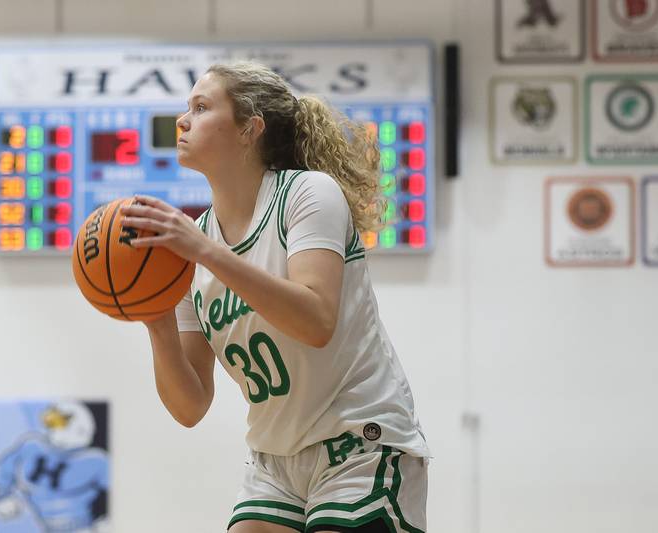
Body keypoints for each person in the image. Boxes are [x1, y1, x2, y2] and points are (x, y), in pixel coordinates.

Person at [120, 62, 430, 533]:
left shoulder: (307, 194)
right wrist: (156, 319)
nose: (183, 120)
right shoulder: (189, 249)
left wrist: (206, 252)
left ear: (250, 129)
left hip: (359, 443)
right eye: (187, 108)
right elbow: (189, 407)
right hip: (274, 460)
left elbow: (316, 320)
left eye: (201, 108)